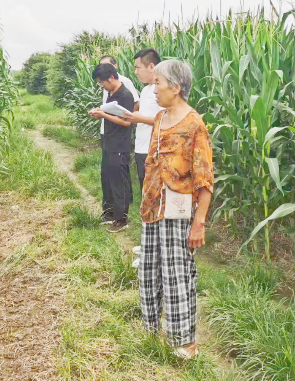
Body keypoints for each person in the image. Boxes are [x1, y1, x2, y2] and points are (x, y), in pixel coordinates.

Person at [138, 59, 213, 359]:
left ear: (177, 87)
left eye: (158, 83)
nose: (153, 88)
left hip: (179, 212)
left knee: (177, 274)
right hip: (152, 208)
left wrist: (200, 222)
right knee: (149, 271)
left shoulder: (194, 124)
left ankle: (185, 342)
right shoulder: (159, 118)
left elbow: (204, 178)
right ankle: (151, 332)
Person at [90, 55, 139, 223]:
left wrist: (103, 114)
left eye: (102, 82)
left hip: (119, 145)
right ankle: (112, 212)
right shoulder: (112, 93)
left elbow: (126, 122)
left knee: (119, 182)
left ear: (111, 77)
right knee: (110, 178)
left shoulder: (125, 95)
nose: (101, 86)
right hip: (110, 142)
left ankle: (121, 219)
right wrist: (100, 113)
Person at [124, 48, 163, 191]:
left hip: (152, 150)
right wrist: (134, 117)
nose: (135, 72)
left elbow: (166, 121)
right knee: (144, 191)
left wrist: (140, 118)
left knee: (154, 194)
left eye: (138, 67)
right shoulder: (146, 90)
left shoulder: (162, 91)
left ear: (151, 67)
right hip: (140, 148)